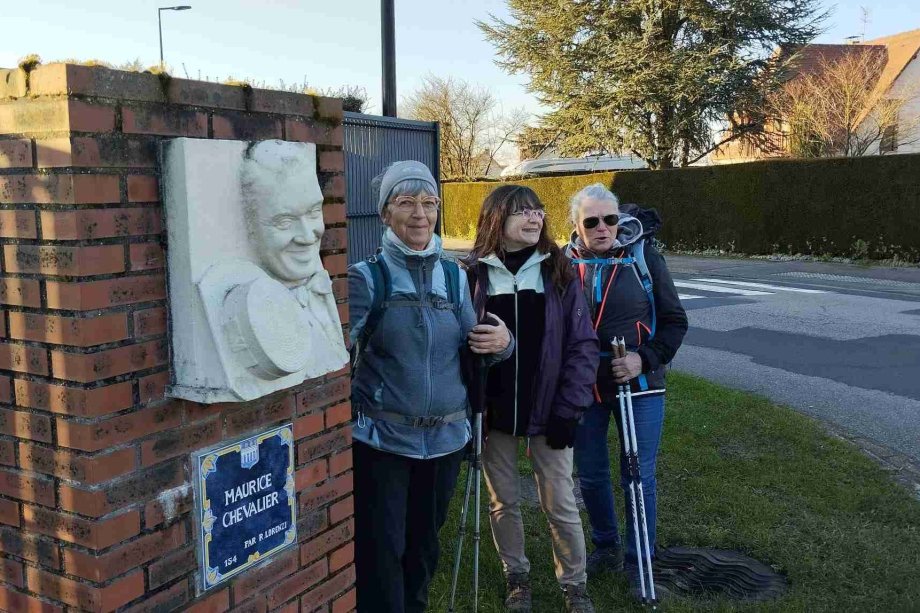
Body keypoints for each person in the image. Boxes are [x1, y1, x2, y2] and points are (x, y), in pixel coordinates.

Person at [348, 161, 513, 613]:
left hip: (445, 442)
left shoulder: (454, 275)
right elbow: (332, 357)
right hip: (383, 443)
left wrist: (502, 342)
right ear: (385, 214)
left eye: (429, 202)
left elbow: (474, 342)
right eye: (406, 202)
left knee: (423, 551)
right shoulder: (366, 278)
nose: (420, 213)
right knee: (382, 554)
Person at [462, 185, 599, 613]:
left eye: (538, 210)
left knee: (559, 503)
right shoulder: (472, 275)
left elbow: (583, 345)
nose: (534, 217)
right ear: (495, 219)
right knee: (503, 501)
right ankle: (517, 578)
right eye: (522, 211)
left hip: (550, 412)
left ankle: (575, 586)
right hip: (494, 413)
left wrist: (570, 409)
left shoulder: (559, 271)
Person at [565, 183, 688, 598]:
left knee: (638, 476)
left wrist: (643, 359)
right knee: (593, 475)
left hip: (640, 383)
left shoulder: (643, 257)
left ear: (621, 220)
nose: (603, 228)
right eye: (592, 221)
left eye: (611, 220)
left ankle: (640, 560)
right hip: (585, 384)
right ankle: (606, 545)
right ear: (577, 226)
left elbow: (674, 321)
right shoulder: (563, 266)